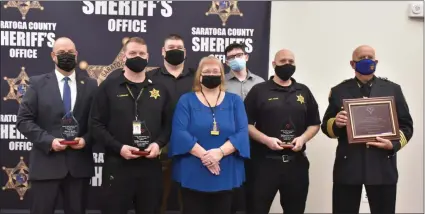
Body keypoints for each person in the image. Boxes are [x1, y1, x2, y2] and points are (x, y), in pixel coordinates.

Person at [321, 45, 414, 214]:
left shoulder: (392, 89)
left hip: (382, 165)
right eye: (362, 58)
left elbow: (407, 126)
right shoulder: (338, 90)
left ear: (376, 62)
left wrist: (392, 145)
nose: (367, 61)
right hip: (349, 165)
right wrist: (337, 123)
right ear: (352, 64)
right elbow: (326, 126)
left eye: (370, 57)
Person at [90, 37, 172, 214]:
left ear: (148, 56)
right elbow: (95, 124)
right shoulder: (108, 87)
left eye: (142, 53)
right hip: (117, 165)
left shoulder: (160, 88)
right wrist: (118, 148)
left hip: (150, 167)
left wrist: (158, 144)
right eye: (133, 53)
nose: (138, 56)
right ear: (123, 57)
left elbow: (168, 125)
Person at [16, 37, 97, 214]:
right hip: (46, 165)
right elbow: (23, 120)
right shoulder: (37, 84)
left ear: (76, 55)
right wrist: (49, 141)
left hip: (78, 167)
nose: (66, 56)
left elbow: (97, 123)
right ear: (53, 56)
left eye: (70, 53)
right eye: (61, 53)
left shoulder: (91, 85)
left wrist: (85, 140)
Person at [169, 56, 250, 214]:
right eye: (206, 71)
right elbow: (179, 132)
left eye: (215, 71)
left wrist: (219, 153)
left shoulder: (235, 101)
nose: (211, 74)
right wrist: (207, 157)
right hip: (193, 169)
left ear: (222, 75)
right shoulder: (186, 100)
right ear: (199, 76)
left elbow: (242, 132)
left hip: (226, 170)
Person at [244, 49, 321, 214]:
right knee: (256, 209)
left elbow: (315, 124)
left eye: (291, 62)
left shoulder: (304, 91)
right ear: (274, 64)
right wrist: (266, 140)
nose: (287, 65)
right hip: (264, 164)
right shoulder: (259, 90)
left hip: (296, 164)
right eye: (283, 61)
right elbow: (246, 124)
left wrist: (303, 139)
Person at [147, 34, 195, 213]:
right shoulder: (150, 78)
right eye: (171, 48)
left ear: (185, 52)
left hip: (192, 144)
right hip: (160, 144)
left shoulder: (197, 77)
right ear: (162, 51)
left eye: (179, 48)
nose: (175, 51)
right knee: (158, 196)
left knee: (190, 196)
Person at [223, 42, 264, 213]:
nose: (236, 59)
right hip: (230, 144)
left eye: (239, 55)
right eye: (231, 57)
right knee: (232, 191)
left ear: (246, 57)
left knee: (254, 189)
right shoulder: (221, 83)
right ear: (226, 62)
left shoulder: (260, 82)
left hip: (255, 143)